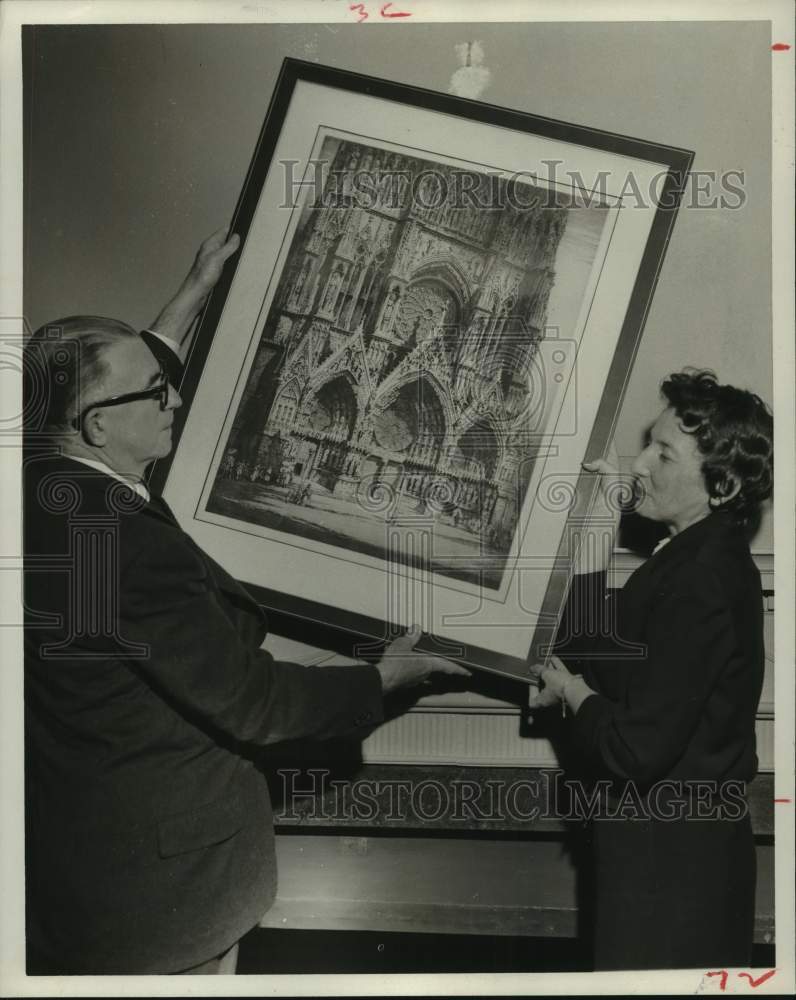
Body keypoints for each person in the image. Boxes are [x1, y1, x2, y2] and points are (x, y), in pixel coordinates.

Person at [23, 229, 468, 975]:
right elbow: (254, 702)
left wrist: (189, 297)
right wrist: (383, 680)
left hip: (85, 873)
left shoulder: (36, 485)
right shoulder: (123, 542)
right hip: (164, 902)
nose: (178, 397)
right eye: (158, 393)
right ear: (99, 424)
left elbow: (106, 385)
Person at [529, 370, 773, 970]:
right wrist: (598, 516)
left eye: (663, 452)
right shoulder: (691, 560)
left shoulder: (700, 580)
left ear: (722, 485)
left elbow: (636, 750)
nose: (639, 463)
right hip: (667, 856)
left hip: (669, 872)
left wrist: (572, 692)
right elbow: (591, 644)